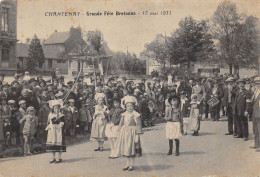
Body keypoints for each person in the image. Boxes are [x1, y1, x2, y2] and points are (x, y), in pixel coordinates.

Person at [114, 96, 143, 171]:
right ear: (125, 107)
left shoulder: (136, 115)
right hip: (125, 133)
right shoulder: (124, 114)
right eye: (128, 106)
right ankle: (127, 164)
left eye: (131, 106)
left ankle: (132, 164)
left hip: (132, 133)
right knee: (126, 149)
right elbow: (121, 123)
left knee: (131, 149)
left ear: (133, 106)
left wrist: (137, 135)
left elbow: (138, 125)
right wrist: (119, 130)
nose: (129, 107)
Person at [250, 77, 260, 151]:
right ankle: (256, 144)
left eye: (258, 83)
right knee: (255, 129)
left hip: (259, 113)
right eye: (256, 83)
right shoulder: (255, 92)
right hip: (254, 113)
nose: (257, 85)